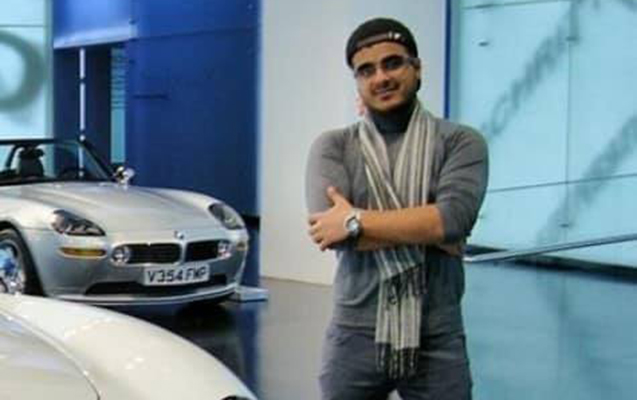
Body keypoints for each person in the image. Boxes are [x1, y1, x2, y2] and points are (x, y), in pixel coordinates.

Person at [305, 18, 489, 400]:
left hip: (436, 333)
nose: (381, 77)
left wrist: (353, 220)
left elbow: (452, 220)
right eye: (366, 70)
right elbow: (330, 233)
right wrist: (427, 229)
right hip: (354, 333)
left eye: (392, 63)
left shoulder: (461, 142)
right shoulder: (334, 147)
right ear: (357, 81)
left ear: (416, 69)